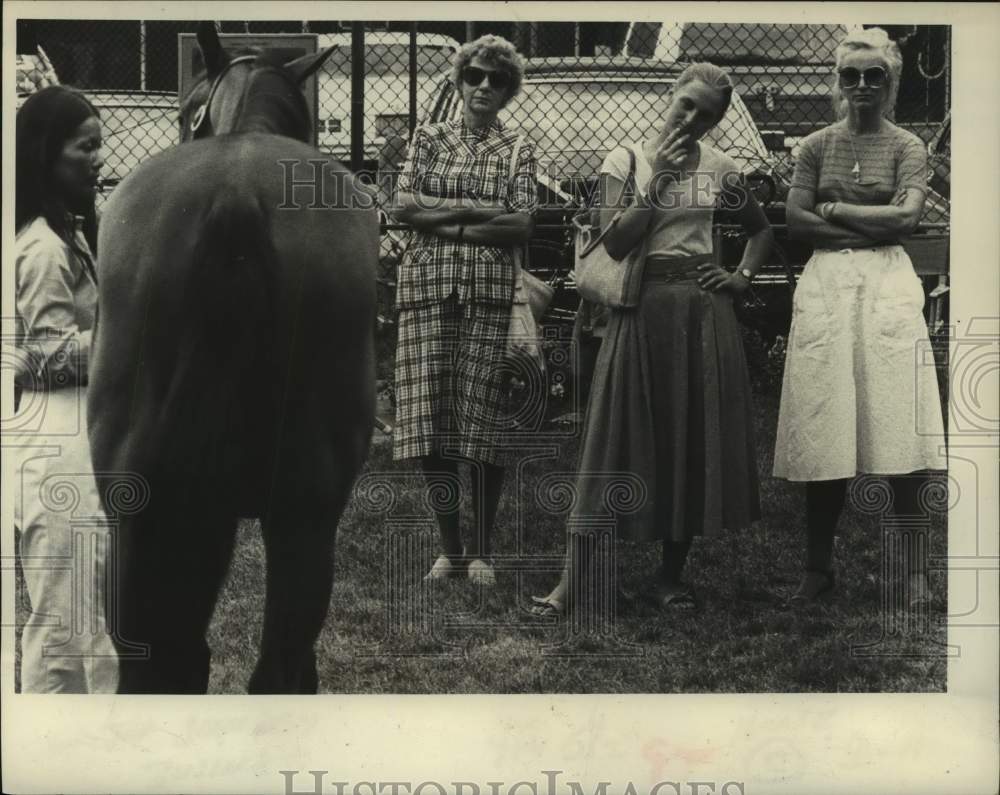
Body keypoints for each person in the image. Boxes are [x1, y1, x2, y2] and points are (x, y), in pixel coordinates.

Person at [531, 62, 774, 615]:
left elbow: (761, 231)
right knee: (610, 439)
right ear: (672, 94)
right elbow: (614, 242)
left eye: (706, 115)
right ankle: (577, 579)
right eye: (686, 105)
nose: (692, 120)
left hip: (700, 314)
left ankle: (668, 577)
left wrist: (739, 278)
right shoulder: (626, 159)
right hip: (637, 308)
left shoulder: (721, 167)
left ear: (716, 123)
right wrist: (657, 179)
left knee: (688, 437)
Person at [773, 28, 947, 606]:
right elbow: (796, 224)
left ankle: (914, 572)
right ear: (838, 82)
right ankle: (818, 568)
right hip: (826, 287)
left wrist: (838, 207)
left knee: (902, 420)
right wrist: (870, 216)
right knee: (826, 424)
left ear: (892, 82)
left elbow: (907, 222)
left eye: (875, 75)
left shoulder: (907, 147)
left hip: (888, 287)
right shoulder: (815, 146)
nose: (863, 85)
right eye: (851, 75)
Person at [390, 35, 537, 585]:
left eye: (496, 80)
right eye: (474, 76)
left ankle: (481, 552)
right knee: (429, 421)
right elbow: (403, 203)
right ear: (458, 80)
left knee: (483, 424)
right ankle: (449, 547)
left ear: (508, 91)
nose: (483, 87)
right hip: (428, 290)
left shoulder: (519, 148)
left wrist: (440, 214)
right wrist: (475, 213)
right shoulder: (427, 138)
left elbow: (521, 222)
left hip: (487, 295)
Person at [13, 85, 118, 692]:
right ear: (47, 154)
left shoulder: (68, 234)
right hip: (56, 441)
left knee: (81, 606)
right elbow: (46, 355)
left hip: (77, 432)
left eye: (101, 145)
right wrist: (131, 340)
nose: (99, 159)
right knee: (67, 618)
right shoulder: (42, 248)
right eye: (87, 147)